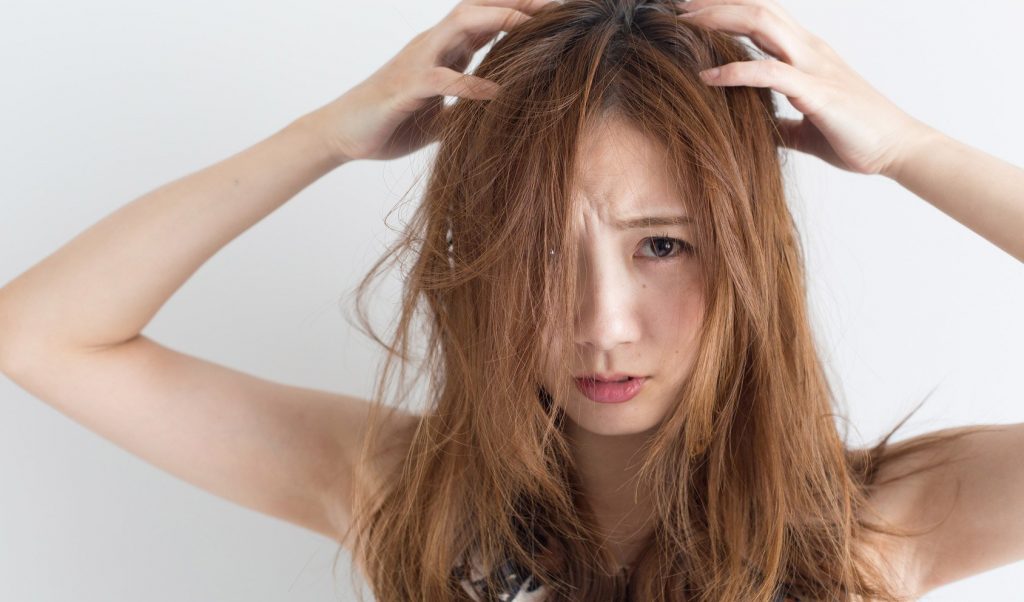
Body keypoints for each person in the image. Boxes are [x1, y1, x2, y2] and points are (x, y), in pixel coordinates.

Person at [0, 0, 1021, 600]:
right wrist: (325, 135)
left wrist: (910, 148)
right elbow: (40, 334)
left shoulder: (872, 527)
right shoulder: (410, 499)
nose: (602, 323)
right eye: (539, 252)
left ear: (750, 260)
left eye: (663, 245)